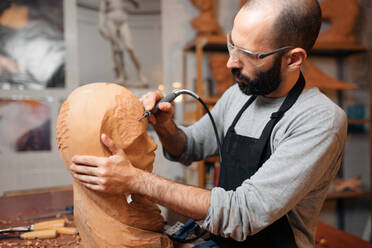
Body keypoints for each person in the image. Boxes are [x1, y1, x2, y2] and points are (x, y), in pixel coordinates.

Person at [70, 0, 347, 247]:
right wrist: (165, 126)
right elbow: (187, 148)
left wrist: (134, 180)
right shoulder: (240, 94)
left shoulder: (319, 120)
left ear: (293, 59)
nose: (230, 63)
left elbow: (244, 214)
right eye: (232, 45)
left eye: (248, 55)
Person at [98, 0, 147, 86]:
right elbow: (101, 11)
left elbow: (136, 4)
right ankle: (121, 76)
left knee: (130, 48)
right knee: (116, 49)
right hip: (111, 20)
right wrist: (101, 25)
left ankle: (140, 73)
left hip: (123, 20)